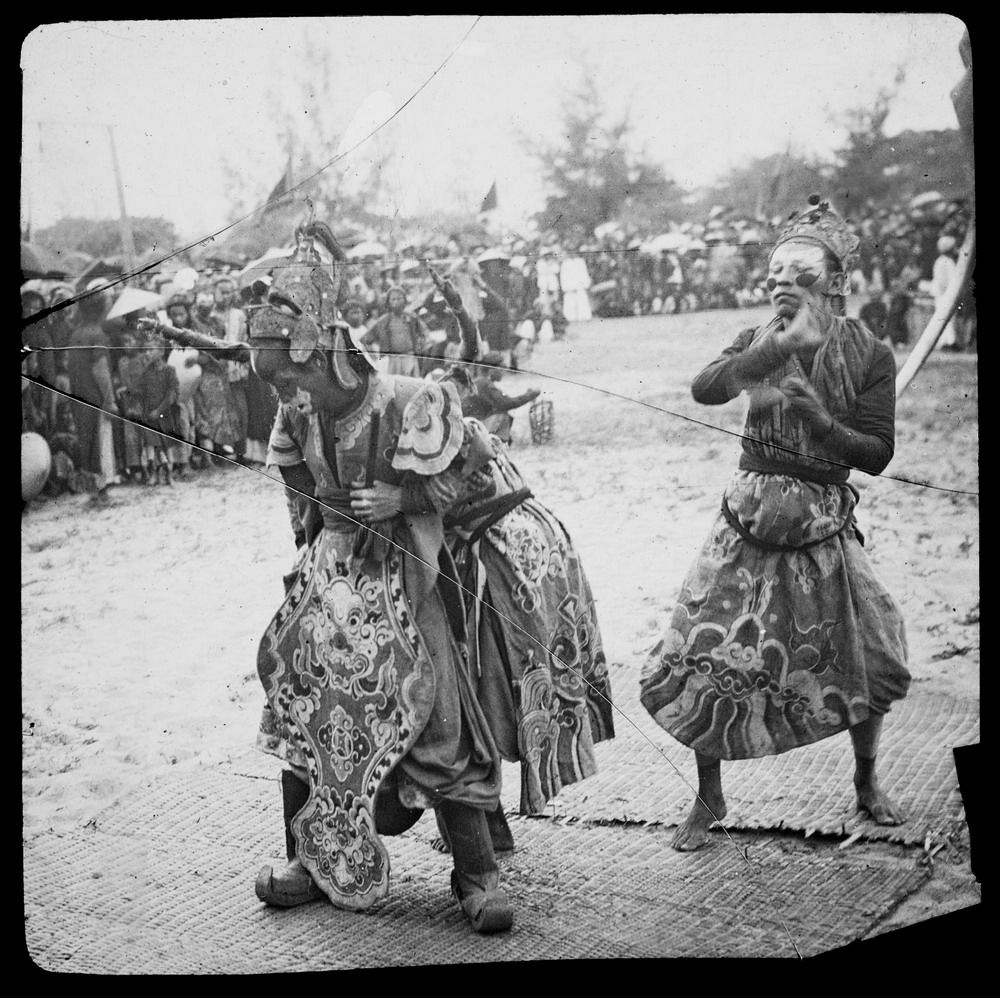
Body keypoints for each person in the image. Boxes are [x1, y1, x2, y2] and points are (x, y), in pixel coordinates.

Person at [146, 221, 515, 933]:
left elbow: (469, 469)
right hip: (334, 580)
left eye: (291, 374)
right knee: (300, 706)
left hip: (408, 574)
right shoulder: (296, 409)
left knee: (434, 714)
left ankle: (476, 876)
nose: (287, 391)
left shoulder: (410, 397)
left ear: (326, 352)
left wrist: (404, 500)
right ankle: (308, 862)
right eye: (278, 381)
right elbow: (288, 466)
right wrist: (313, 515)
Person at [639, 195, 910, 851]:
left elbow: (877, 453)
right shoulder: (756, 337)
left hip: (823, 523)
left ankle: (867, 780)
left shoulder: (870, 353)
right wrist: (765, 355)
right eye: (775, 277)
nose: (783, 285)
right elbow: (706, 388)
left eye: (800, 275)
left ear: (837, 284)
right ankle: (709, 795)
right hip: (748, 520)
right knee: (702, 653)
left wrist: (822, 425)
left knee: (869, 655)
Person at [65, 278, 120, 505]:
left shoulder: (76, 334)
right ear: (100, 309)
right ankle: (101, 490)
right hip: (95, 398)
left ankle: (93, 491)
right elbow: (100, 371)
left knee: (86, 440)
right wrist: (110, 401)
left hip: (79, 396)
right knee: (101, 442)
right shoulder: (98, 335)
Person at [363, 285, 429, 378]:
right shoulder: (384, 321)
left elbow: (424, 332)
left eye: (399, 298)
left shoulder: (411, 317)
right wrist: (374, 358)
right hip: (391, 360)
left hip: (409, 357)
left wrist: (420, 345)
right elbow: (366, 340)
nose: (397, 302)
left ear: (405, 300)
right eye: (393, 299)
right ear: (388, 302)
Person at [930, 235, 960, 351]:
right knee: (945, 318)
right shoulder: (943, 262)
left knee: (948, 318)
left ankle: (949, 340)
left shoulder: (947, 261)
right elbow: (943, 280)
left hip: (946, 294)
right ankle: (949, 341)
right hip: (944, 294)